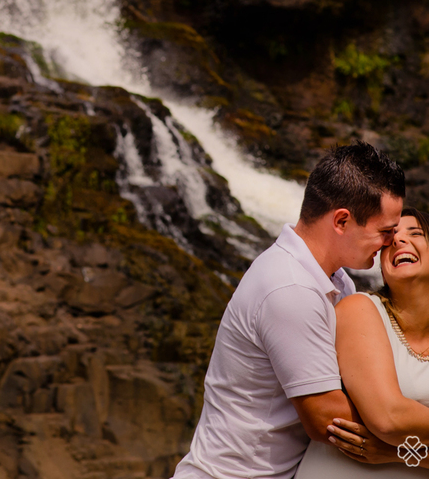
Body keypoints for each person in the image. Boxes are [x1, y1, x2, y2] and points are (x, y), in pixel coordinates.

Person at [171, 142, 405, 479]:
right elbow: (328, 420)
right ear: (341, 220)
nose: (389, 243)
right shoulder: (290, 287)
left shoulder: (338, 282)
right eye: (384, 232)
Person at [295, 208, 429, 477]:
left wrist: (400, 453)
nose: (398, 240)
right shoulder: (360, 310)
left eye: (415, 234)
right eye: (391, 238)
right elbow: (389, 419)